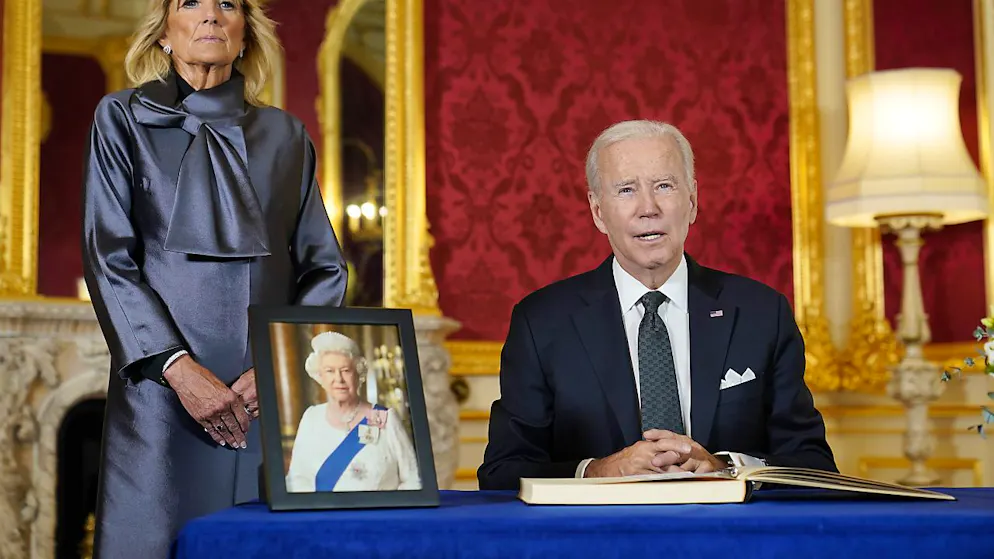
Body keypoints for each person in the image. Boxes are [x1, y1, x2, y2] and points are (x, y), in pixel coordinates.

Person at [81, 0, 347, 556]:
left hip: (262, 394)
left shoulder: (286, 134)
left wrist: (282, 364)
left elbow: (324, 267)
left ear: (245, 35)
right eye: (191, 3)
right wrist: (176, 368)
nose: (211, 16)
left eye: (228, 4)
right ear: (164, 35)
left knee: (257, 543)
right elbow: (108, 254)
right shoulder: (121, 117)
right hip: (159, 387)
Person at [477, 120, 836, 490]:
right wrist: (599, 471)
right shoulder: (541, 322)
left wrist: (725, 467)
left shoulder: (762, 313)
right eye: (626, 190)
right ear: (598, 212)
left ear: (692, 201)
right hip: (596, 541)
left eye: (664, 186)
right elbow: (503, 472)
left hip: (726, 539)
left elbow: (813, 464)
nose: (648, 208)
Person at [285, 332, 421, 492]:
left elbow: (413, 479)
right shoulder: (311, 418)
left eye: (345, 370)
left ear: (359, 374)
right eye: (330, 371)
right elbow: (297, 478)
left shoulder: (385, 418)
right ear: (320, 376)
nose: (339, 379)